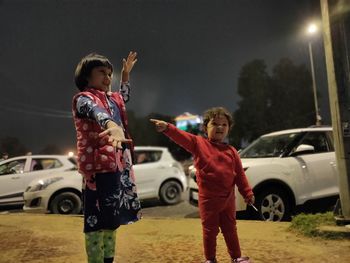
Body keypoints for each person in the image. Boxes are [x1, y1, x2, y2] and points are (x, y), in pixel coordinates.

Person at [150, 107, 254, 263]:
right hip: (208, 200)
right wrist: (167, 128)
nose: (220, 127)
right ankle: (210, 259)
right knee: (209, 231)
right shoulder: (198, 144)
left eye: (224, 124)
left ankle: (236, 257)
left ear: (228, 128)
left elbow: (240, 175)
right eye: (215, 124)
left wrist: (248, 193)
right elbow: (182, 137)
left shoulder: (232, 151)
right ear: (206, 128)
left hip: (228, 200)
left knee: (231, 229)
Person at [72, 52, 141, 263]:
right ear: (86, 76)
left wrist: (126, 75)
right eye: (101, 72)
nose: (108, 77)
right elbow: (96, 112)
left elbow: (124, 96)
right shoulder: (83, 98)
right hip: (98, 170)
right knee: (95, 222)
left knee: (112, 220)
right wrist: (112, 125)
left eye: (110, 73)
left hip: (117, 167)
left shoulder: (112, 99)